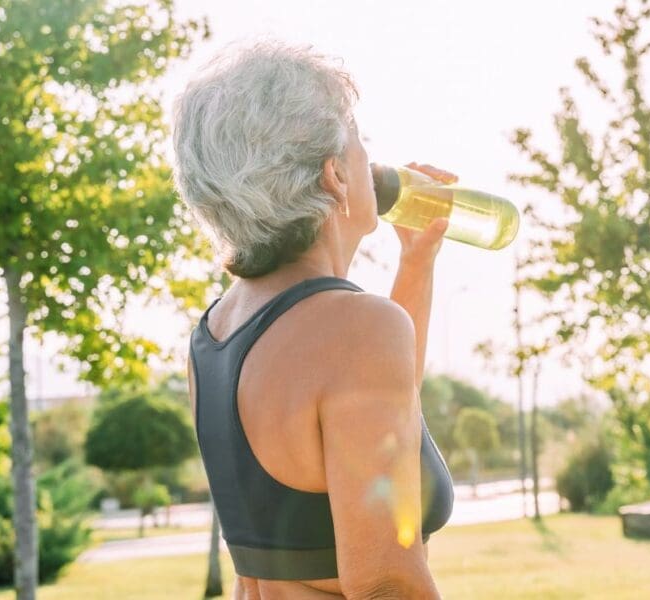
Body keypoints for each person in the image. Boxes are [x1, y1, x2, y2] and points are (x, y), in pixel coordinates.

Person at [172, 38, 456, 599]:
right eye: (359, 144)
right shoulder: (355, 331)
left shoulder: (215, 334)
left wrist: (416, 263)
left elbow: (378, 413)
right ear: (334, 176)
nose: (373, 162)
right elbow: (386, 582)